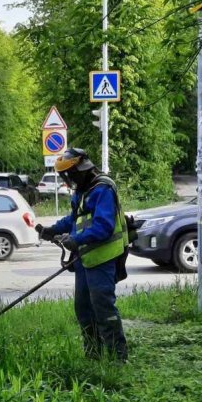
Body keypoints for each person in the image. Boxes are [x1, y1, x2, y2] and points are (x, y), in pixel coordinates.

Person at [37, 148, 129, 362]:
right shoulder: (81, 191)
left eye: (69, 175)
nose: (67, 180)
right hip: (85, 259)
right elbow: (73, 219)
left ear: (80, 170)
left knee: (103, 307)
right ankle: (93, 355)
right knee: (83, 309)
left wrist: (75, 240)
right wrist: (53, 230)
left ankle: (118, 357)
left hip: (103, 258)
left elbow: (104, 226)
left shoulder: (102, 189)